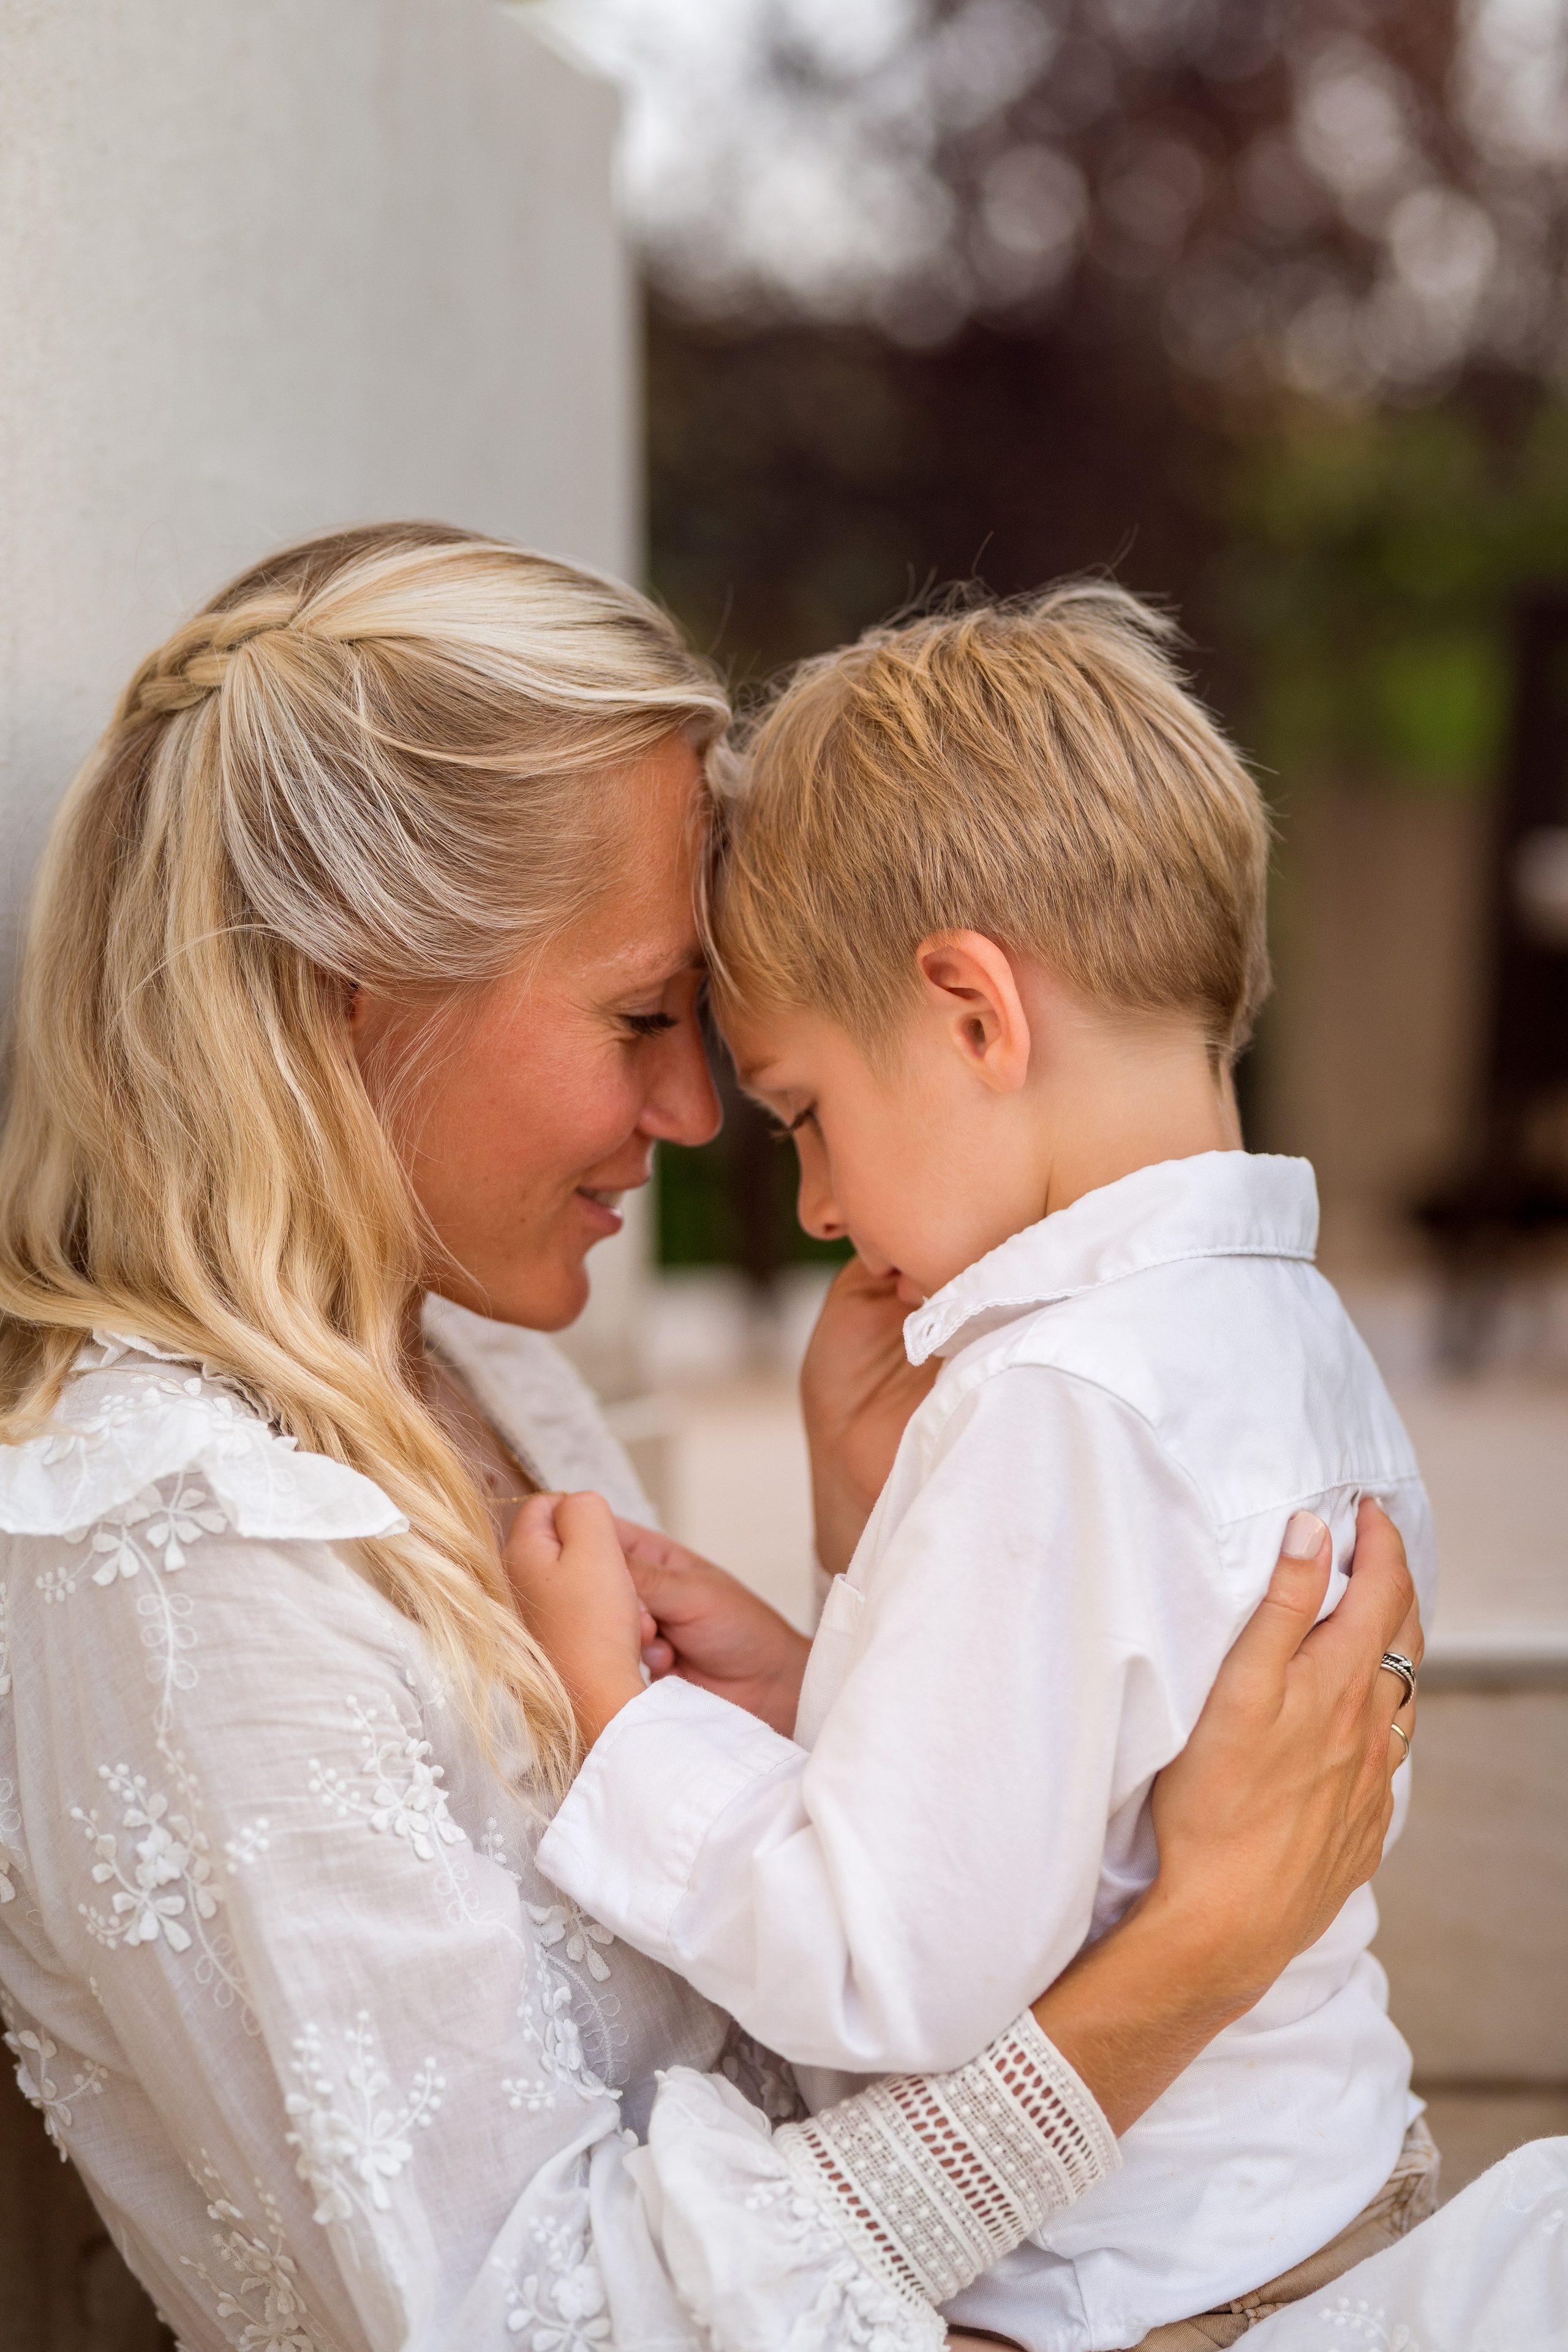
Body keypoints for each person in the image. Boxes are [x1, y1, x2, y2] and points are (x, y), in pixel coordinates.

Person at [0, 524, 1421, 2352]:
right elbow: (545, 2321)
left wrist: (844, 1641)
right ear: (355, 993)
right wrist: (1200, 1954)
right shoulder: (183, 1547)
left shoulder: (488, 1382)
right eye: (641, 1015)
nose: (695, 1116)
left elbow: (863, 1943)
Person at [505, 587, 1439, 2351]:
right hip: (1314, 2194)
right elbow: (1088, 1797)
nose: (817, 1205)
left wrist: (618, 1726)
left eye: (804, 1113)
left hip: (1137, 2295)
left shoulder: (1058, 1405)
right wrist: (828, 1652)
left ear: (972, 1015)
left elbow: (894, 1964)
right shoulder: (1289, 1337)